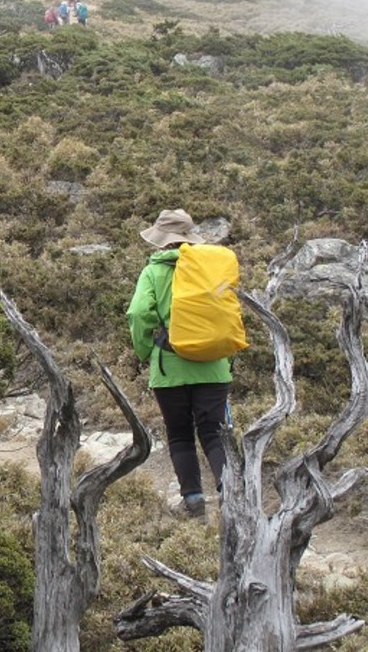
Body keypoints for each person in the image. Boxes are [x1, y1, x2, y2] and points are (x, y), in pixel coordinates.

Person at [126, 208, 232, 517]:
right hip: (214, 365)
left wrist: (148, 352)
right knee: (214, 431)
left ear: (161, 241)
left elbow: (138, 314)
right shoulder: (210, 269)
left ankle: (194, 500)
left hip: (170, 367)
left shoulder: (154, 272)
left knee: (180, 433)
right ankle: (231, 494)